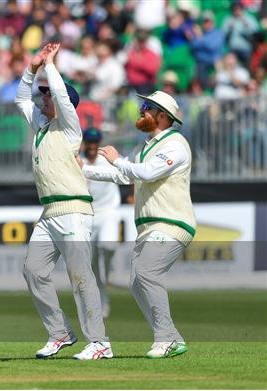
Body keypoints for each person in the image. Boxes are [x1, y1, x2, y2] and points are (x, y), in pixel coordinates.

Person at [78, 90, 196, 358]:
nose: (141, 110)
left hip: (172, 221)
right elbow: (122, 175)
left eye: (148, 107)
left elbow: (147, 172)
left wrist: (118, 159)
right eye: (143, 105)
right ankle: (173, 338)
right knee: (136, 281)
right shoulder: (144, 146)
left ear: (162, 116)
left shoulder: (175, 144)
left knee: (146, 273)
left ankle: (164, 339)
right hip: (150, 226)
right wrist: (83, 169)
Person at [15, 43, 112, 361]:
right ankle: (59, 333)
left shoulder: (70, 129)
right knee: (33, 270)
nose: (42, 97)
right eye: (42, 94)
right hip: (49, 212)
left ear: (62, 102)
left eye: (47, 95)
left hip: (73, 209)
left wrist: (50, 65)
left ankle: (99, 342)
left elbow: (58, 91)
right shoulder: (42, 128)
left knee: (81, 275)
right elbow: (19, 99)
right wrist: (31, 68)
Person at [80, 128, 121, 319]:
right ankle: (103, 303)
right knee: (94, 268)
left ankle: (111, 268)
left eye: (95, 143)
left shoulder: (107, 160)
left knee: (108, 245)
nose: (92, 147)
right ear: (84, 143)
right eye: (89, 143)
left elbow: (126, 173)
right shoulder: (79, 160)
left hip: (109, 212)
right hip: (89, 217)